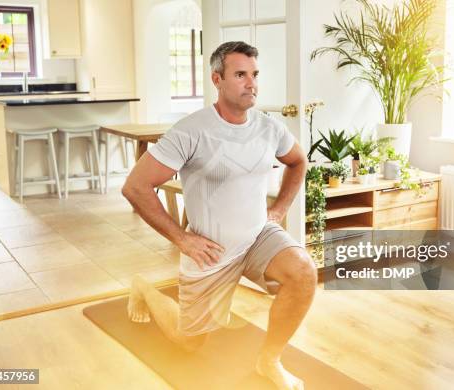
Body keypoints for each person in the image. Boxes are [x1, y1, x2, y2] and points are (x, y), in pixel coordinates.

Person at [121, 41, 316, 390]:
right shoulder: (191, 131)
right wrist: (182, 238)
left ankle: (269, 360)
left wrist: (280, 208)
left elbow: (298, 161)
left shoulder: (268, 127)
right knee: (188, 341)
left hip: (258, 236)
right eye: (240, 75)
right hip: (211, 248)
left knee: (303, 272)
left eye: (255, 74)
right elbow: (135, 187)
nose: (251, 83)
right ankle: (145, 291)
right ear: (217, 79)